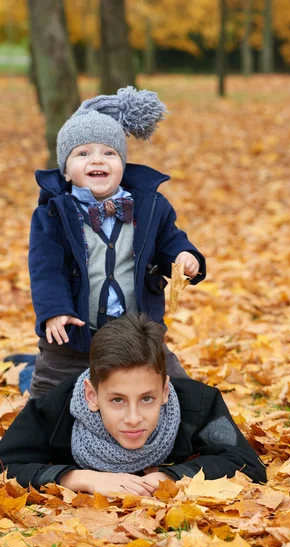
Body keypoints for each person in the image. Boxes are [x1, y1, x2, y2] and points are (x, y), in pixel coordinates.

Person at [28, 86, 206, 397]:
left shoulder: (151, 207)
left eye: (109, 153)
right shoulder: (53, 214)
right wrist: (54, 310)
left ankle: (197, 427)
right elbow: (46, 268)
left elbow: (170, 241)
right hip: (74, 335)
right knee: (49, 396)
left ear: (122, 166)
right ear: (66, 170)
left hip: (137, 333)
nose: (97, 160)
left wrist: (183, 257)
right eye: (83, 154)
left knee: (177, 388)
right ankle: (42, 425)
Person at [0, 315, 266, 496]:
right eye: (117, 400)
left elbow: (248, 465)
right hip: (64, 381)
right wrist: (79, 478)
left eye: (147, 398)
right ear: (92, 396)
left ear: (165, 390)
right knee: (27, 379)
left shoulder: (199, 403)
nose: (134, 418)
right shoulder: (56, 409)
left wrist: (169, 476)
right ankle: (24, 364)